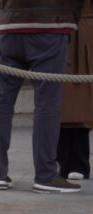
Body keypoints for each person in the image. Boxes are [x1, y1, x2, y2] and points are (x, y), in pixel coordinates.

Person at [0, 0, 82, 193]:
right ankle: (45, 175)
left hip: (8, 25)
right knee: (48, 103)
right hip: (50, 25)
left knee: (2, 102)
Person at [58, 0, 93, 180]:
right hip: (59, 30)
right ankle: (64, 161)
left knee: (81, 105)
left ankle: (78, 162)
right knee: (58, 102)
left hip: (82, 35)